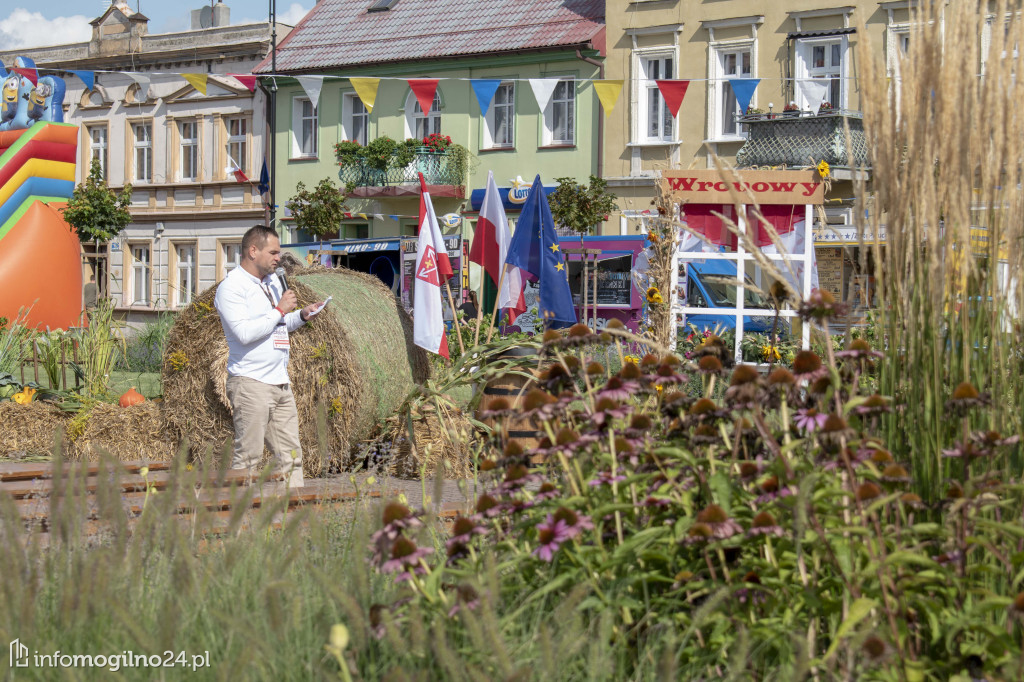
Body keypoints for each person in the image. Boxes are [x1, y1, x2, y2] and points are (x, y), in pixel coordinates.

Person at [214, 225, 324, 489]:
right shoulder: (232, 288)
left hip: (280, 383)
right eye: (273, 252)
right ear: (253, 251)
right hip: (251, 384)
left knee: (292, 456)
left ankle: (293, 516)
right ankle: (239, 519)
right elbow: (244, 333)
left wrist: (300, 315)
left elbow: (277, 324)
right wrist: (279, 309)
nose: (278, 258)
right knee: (248, 456)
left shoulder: (272, 282)